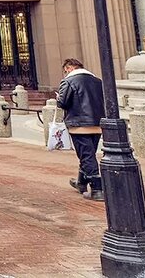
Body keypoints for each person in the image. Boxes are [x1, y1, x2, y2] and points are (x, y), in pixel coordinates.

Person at [56, 58, 105, 201]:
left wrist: (58, 98)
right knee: (88, 153)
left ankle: (97, 189)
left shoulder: (68, 81)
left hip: (79, 124)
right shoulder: (97, 81)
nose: (65, 73)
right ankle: (81, 183)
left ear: (69, 68)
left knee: (87, 156)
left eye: (65, 71)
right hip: (97, 123)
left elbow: (63, 103)